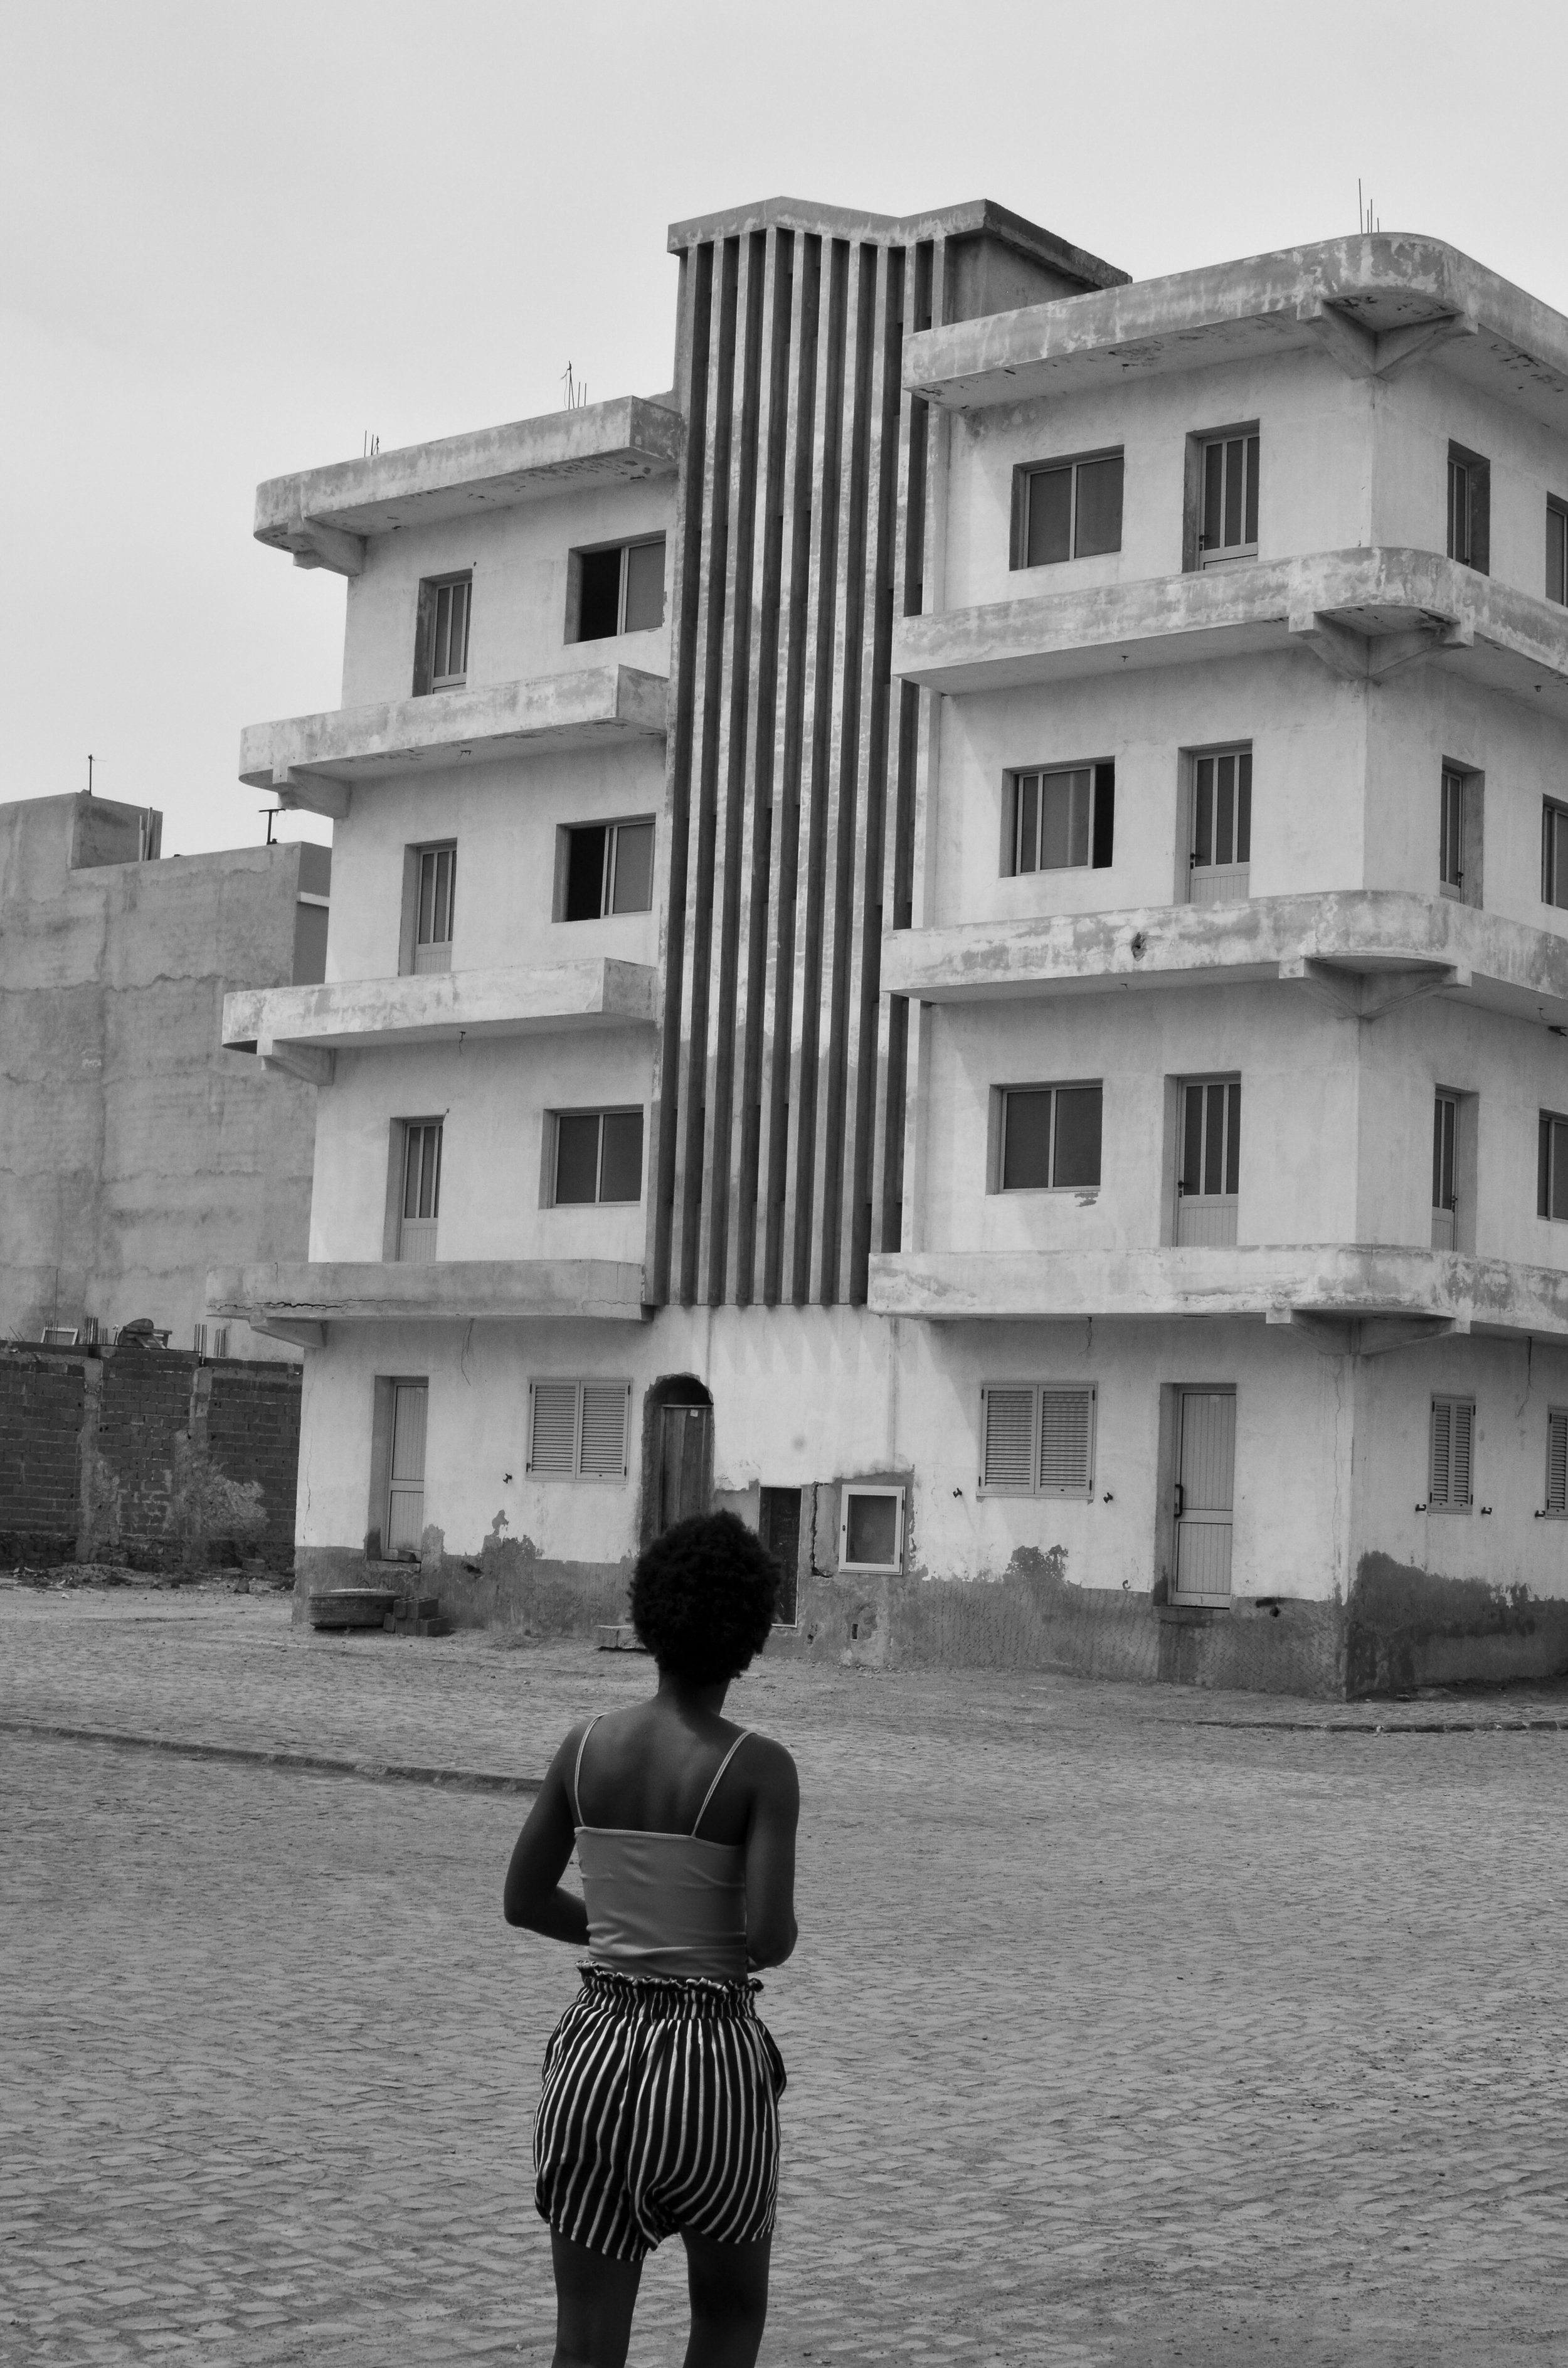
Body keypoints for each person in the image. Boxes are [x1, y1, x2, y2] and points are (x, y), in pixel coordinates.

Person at [504, 1510, 800, 2368]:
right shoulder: (759, 1768)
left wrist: (622, 1931)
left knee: (586, 2347)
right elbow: (769, 1939)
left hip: (594, 2056)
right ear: (751, 1642)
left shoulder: (585, 1745)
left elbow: (523, 1899)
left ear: (646, 1622)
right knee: (727, 2316)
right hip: (712, 2070)